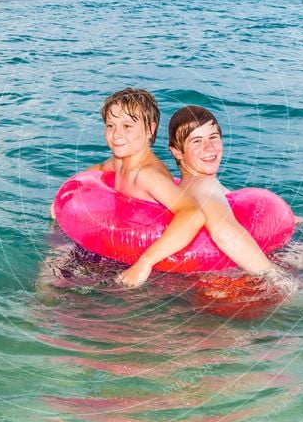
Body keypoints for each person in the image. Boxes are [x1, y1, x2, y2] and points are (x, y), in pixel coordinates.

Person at [52, 88, 205, 288]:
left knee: (57, 278)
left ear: (150, 129)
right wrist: (65, 197)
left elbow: (193, 213)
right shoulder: (120, 161)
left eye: (127, 126)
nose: (117, 135)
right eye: (110, 125)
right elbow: (96, 171)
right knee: (54, 265)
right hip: (115, 247)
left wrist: (146, 262)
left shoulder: (147, 175)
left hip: (143, 259)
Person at [167, 105, 298, 295]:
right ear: (177, 152)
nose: (209, 147)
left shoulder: (187, 187)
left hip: (199, 285)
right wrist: (277, 276)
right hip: (227, 286)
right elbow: (224, 233)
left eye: (213, 137)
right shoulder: (204, 185)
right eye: (197, 141)